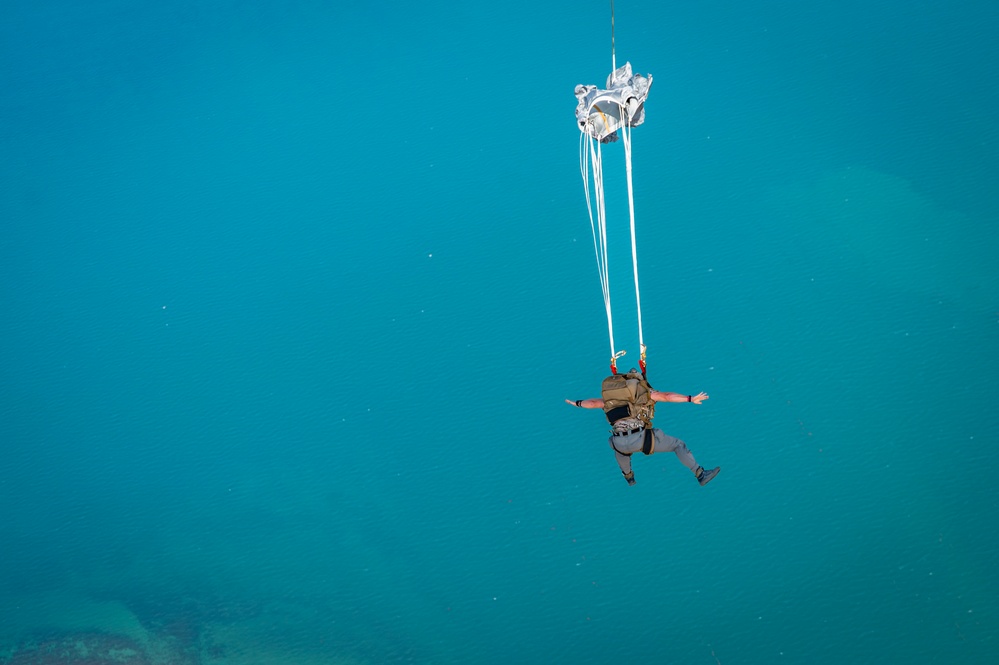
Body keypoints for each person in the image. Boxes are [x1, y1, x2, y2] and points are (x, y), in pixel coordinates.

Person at [567, 369, 720, 487]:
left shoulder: (610, 400)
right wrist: (690, 399)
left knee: (621, 451)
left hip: (619, 443)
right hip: (641, 439)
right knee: (677, 445)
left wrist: (577, 403)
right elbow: (667, 396)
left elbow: (592, 403)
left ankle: (629, 477)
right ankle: (700, 474)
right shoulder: (643, 393)